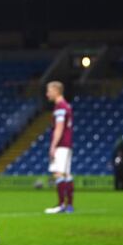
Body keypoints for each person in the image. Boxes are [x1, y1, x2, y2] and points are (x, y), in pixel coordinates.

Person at [44, 81, 74, 214]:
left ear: (56, 91)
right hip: (67, 144)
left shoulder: (60, 107)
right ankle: (69, 205)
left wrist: (53, 145)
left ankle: (62, 204)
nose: (47, 94)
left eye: (49, 91)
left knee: (59, 173)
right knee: (66, 174)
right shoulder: (66, 106)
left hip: (62, 145)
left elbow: (59, 127)